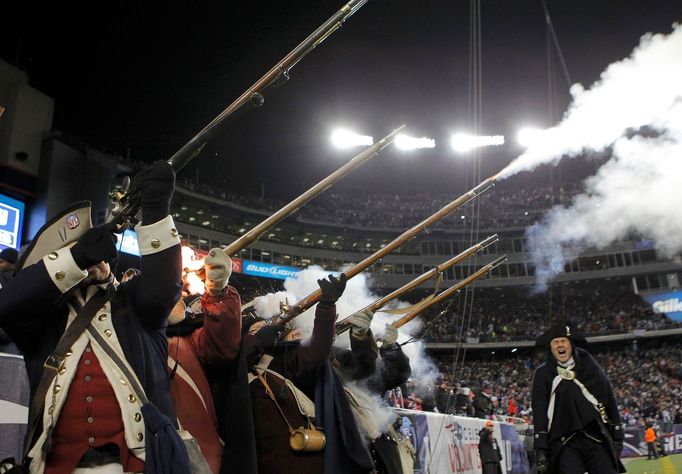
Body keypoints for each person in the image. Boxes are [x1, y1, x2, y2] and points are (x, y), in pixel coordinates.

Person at [0, 160, 187, 473]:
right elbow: (7, 303)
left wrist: (156, 211)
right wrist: (76, 257)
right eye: (82, 247)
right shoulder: (41, 318)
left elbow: (164, 288)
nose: (95, 256)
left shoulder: (133, 301)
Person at [532, 323, 625, 474]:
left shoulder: (588, 364)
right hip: (564, 441)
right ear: (550, 347)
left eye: (563, 341)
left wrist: (617, 432)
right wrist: (541, 448)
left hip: (594, 435)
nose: (560, 345)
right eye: (555, 342)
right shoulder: (542, 374)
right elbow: (539, 410)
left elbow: (607, 395)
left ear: (570, 344)